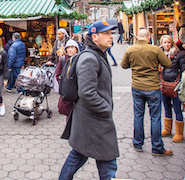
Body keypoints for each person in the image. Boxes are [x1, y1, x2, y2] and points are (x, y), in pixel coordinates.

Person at [59, 20, 119, 180]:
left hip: (92, 122)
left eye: (111, 33)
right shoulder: (90, 59)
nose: (110, 36)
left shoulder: (97, 55)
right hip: (94, 120)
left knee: (82, 156)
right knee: (105, 161)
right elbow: (87, 92)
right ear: (94, 37)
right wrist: (105, 108)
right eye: (106, 33)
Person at [120, 28, 173, 156]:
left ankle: (138, 143)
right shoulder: (155, 50)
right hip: (153, 87)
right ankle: (157, 147)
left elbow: (123, 65)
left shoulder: (130, 50)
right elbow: (168, 64)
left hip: (137, 86)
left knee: (138, 115)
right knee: (155, 117)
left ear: (137, 37)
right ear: (149, 37)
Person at [159, 35, 185, 143]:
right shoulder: (159, 53)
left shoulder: (178, 54)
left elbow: (183, 69)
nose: (166, 45)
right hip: (164, 84)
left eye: (168, 42)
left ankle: (179, 133)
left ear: (172, 43)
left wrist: (181, 82)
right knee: (166, 108)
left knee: (177, 108)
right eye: (164, 43)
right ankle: (167, 129)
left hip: (175, 85)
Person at [55, 39, 79, 117]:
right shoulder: (63, 60)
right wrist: (63, 84)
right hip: (67, 94)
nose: (70, 50)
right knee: (68, 115)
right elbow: (57, 74)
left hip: (77, 93)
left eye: (72, 48)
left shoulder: (80, 59)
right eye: (68, 48)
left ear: (76, 49)